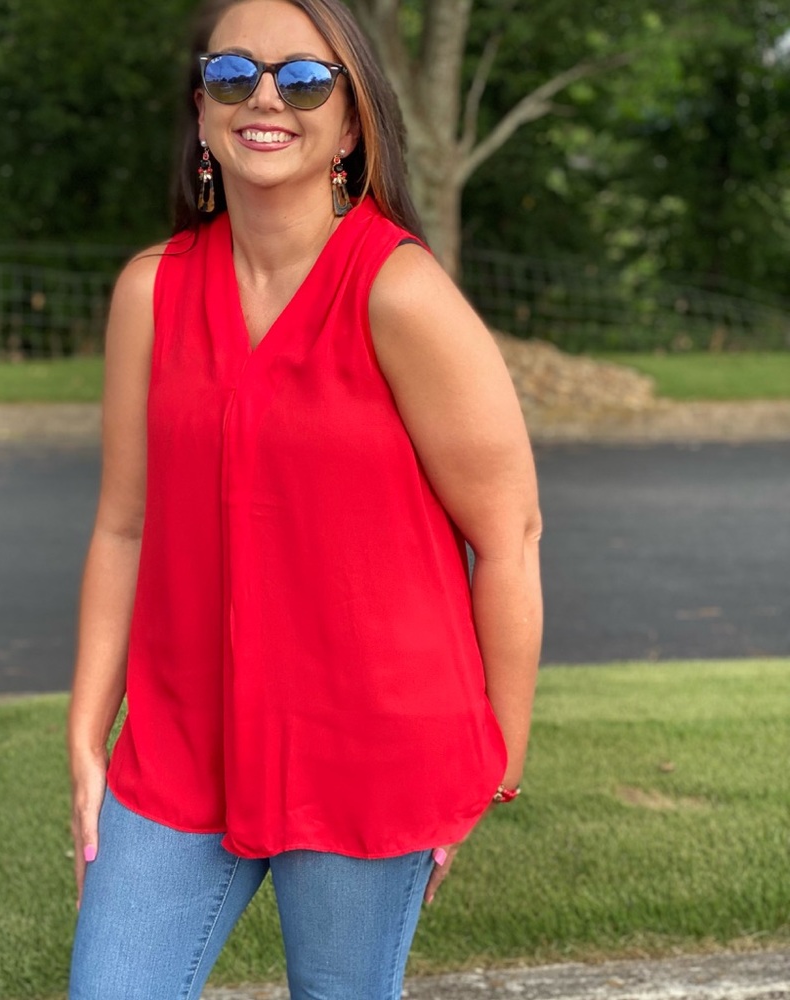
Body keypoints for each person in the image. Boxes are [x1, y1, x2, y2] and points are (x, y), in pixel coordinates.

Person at [66, 0, 542, 995]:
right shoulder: (149, 292)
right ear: (201, 112)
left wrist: (490, 762)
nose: (266, 98)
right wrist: (85, 729)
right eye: (234, 75)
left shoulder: (398, 292)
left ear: (352, 120)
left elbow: (508, 534)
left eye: (306, 78)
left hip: (368, 749)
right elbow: (124, 523)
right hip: (180, 748)